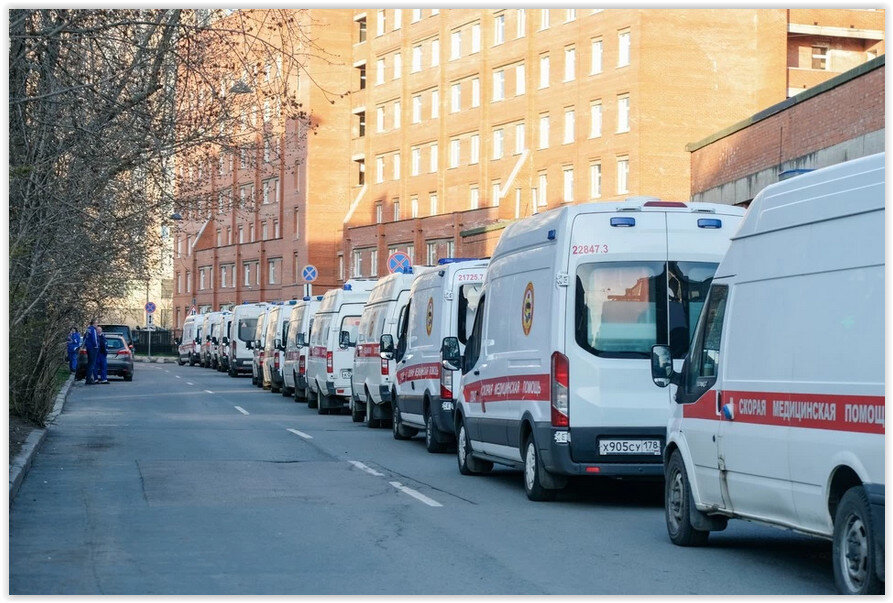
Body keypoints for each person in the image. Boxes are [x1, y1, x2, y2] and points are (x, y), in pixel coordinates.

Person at [84, 320, 99, 385]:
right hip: (93, 348)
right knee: (92, 364)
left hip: (88, 348)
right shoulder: (93, 330)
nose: (97, 325)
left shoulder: (88, 329)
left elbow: (85, 338)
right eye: (96, 323)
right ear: (94, 323)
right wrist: (96, 346)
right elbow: (94, 339)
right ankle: (89, 379)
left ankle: (88, 378)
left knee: (89, 363)